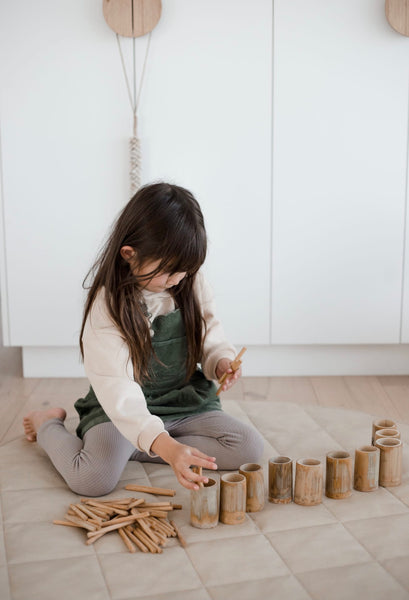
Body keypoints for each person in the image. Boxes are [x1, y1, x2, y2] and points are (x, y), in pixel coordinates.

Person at [23, 182, 264, 496]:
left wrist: (219, 360)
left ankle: (148, 444)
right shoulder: (106, 306)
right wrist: (165, 445)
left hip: (182, 400)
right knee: (92, 479)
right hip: (122, 409)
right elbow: (118, 392)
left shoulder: (188, 280)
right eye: (168, 271)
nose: (177, 279)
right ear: (129, 254)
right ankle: (47, 424)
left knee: (248, 447)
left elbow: (209, 331)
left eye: (185, 271)